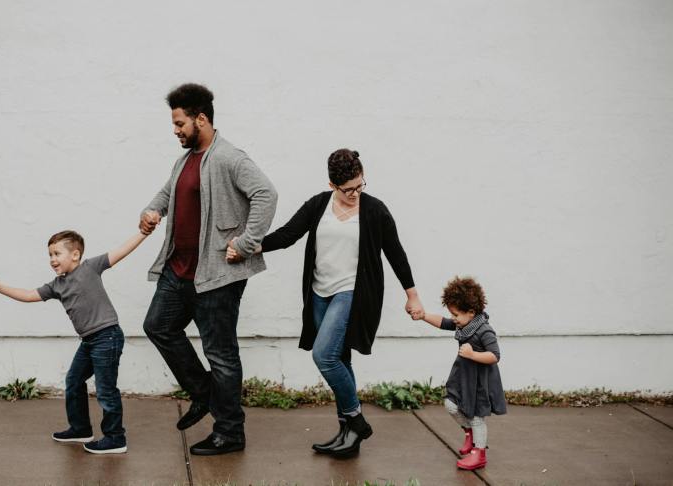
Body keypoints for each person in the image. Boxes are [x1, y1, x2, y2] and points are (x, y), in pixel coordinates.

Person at [228, 148, 424, 457]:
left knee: (324, 357)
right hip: (319, 293)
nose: (356, 194)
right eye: (348, 190)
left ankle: (356, 421)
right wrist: (249, 247)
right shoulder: (320, 205)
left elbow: (395, 252)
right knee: (340, 359)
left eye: (360, 186)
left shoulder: (374, 211)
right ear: (332, 185)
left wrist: (411, 294)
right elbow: (288, 234)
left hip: (352, 293)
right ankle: (348, 434)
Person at [139, 83, 277, 456]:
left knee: (221, 354)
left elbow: (266, 194)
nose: (176, 130)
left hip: (216, 275)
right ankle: (203, 394)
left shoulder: (230, 157)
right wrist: (152, 211)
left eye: (180, 123)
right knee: (158, 326)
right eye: (174, 123)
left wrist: (246, 243)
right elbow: (168, 192)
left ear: (201, 119)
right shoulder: (185, 159)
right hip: (178, 270)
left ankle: (230, 432)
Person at [0, 230, 147, 454]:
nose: (52, 260)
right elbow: (30, 295)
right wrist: (0, 288)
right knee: (74, 380)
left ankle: (115, 438)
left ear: (75, 255)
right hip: (89, 341)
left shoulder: (90, 267)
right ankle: (80, 429)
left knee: (106, 389)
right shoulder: (57, 285)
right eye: (50, 255)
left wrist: (144, 232)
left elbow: (121, 251)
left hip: (107, 336)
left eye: (57, 254)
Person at [417, 276, 506, 470]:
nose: (454, 318)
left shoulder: (484, 330)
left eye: (456, 314)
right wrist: (423, 315)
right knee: (450, 404)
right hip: (463, 377)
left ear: (471, 312)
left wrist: (473, 354)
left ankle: (479, 453)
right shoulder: (463, 324)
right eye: (452, 314)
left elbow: (495, 355)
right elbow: (443, 322)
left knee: (476, 417)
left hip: (479, 381)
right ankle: (469, 433)